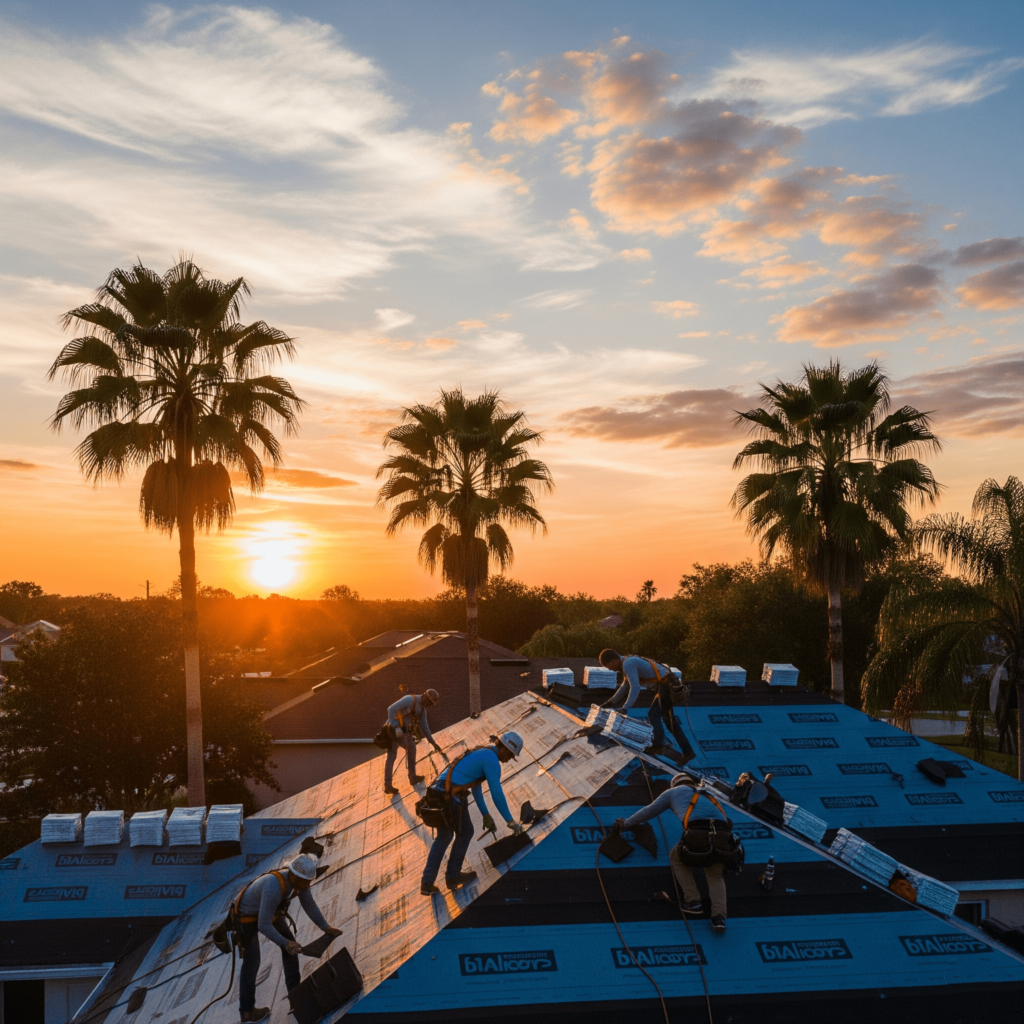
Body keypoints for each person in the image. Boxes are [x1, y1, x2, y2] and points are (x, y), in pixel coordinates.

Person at [615, 774, 737, 934]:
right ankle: (719, 917)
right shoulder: (707, 793)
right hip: (722, 833)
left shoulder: (673, 792)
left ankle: (693, 901)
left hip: (698, 831)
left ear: (674, 784)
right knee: (715, 874)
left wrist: (626, 823)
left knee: (677, 858)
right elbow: (725, 821)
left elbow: (648, 811)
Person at [235, 853, 342, 1023]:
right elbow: (263, 925)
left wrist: (326, 927)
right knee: (252, 962)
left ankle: (296, 996)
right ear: (294, 876)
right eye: (305, 882)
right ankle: (247, 1011)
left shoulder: (299, 882)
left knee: (291, 950)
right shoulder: (273, 888)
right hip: (245, 918)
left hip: (268, 912)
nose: (307, 886)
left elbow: (309, 904)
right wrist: (286, 943)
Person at [420, 731, 525, 895]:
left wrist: (486, 814)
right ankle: (453, 876)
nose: (508, 760)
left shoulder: (482, 752)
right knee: (466, 832)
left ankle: (427, 882)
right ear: (505, 748)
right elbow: (496, 792)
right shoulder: (492, 760)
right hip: (450, 796)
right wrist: (510, 820)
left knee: (444, 837)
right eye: (511, 755)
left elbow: (475, 787)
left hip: (438, 793)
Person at [597, 649, 695, 762]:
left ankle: (658, 746)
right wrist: (610, 702)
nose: (609, 669)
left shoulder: (628, 664)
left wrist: (625, 708)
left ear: (613, 660)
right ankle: (688, 752)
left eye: (608, 666)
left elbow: (635, 687)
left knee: (654, 716)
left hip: (667, 688)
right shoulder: (626, 663)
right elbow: (625, 685)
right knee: (669, 721)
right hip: (664, 687)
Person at [383, 689, 447, 795]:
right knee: (392, 755)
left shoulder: (421, 710)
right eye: (429, 702)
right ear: (425, 697)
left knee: (412, 748)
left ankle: (412, 777)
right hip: (392, 729)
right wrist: (395, 726)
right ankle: (388, 785)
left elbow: (425, 727)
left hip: (403, 731)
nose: (429, 705)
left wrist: (433, 743)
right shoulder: (409, 700)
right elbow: (390, 709)